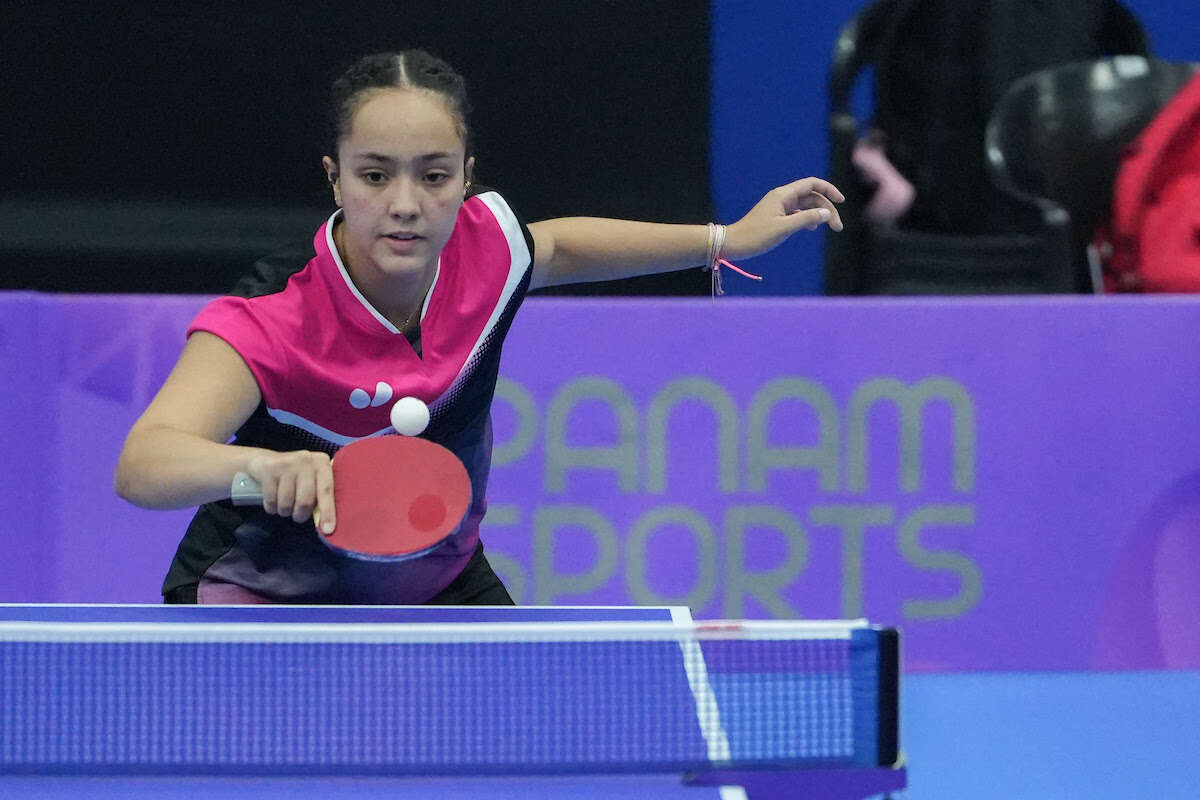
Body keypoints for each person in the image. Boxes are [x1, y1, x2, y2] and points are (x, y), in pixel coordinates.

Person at [114, 50, 844, 605]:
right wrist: (260, 469)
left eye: (433, 176)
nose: (405, 204)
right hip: (262, 599)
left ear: (467, 176)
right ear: (335, 177)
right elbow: (144, 464)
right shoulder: (277, 315)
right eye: (375, 176)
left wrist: (725, 239)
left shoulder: (486, 247)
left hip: (439, 583)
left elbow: (555, 246)